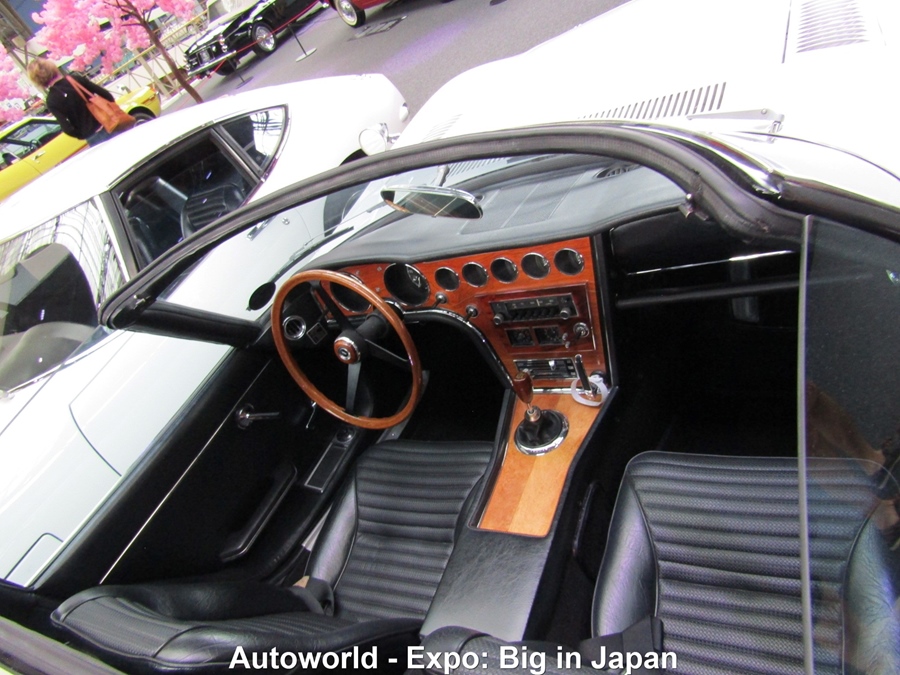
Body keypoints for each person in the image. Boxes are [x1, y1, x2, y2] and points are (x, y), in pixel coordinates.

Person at [26, 58, 118, 147]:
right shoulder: (75, 80)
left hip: (92, 136)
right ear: (52, 67)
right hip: (110, 123)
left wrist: (82, 133)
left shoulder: (51, 100)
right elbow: (106, 95)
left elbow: (67, 128)